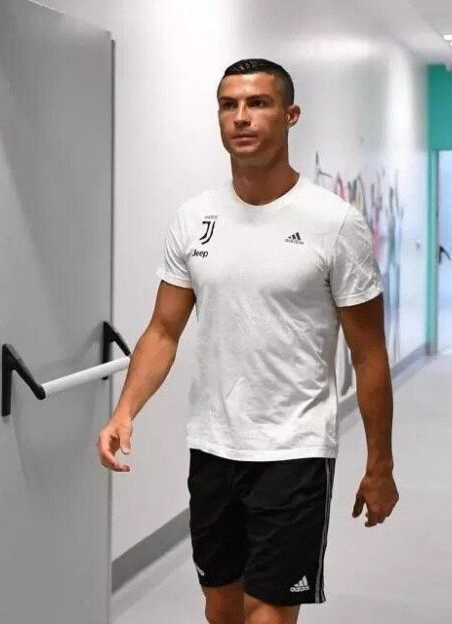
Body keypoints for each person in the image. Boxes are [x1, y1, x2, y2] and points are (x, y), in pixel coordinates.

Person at [96, 59, 398, 624]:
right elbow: (163, 330)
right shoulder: (194, 218)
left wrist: (380, 463)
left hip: (295, 449)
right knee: (221, 607)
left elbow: (368, 354)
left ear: (290, 115)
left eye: (258, 103)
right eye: (229, 105)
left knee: (269, 613)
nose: (241, 117)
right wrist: (125, 409)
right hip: (213, 444)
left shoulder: (334, 223)